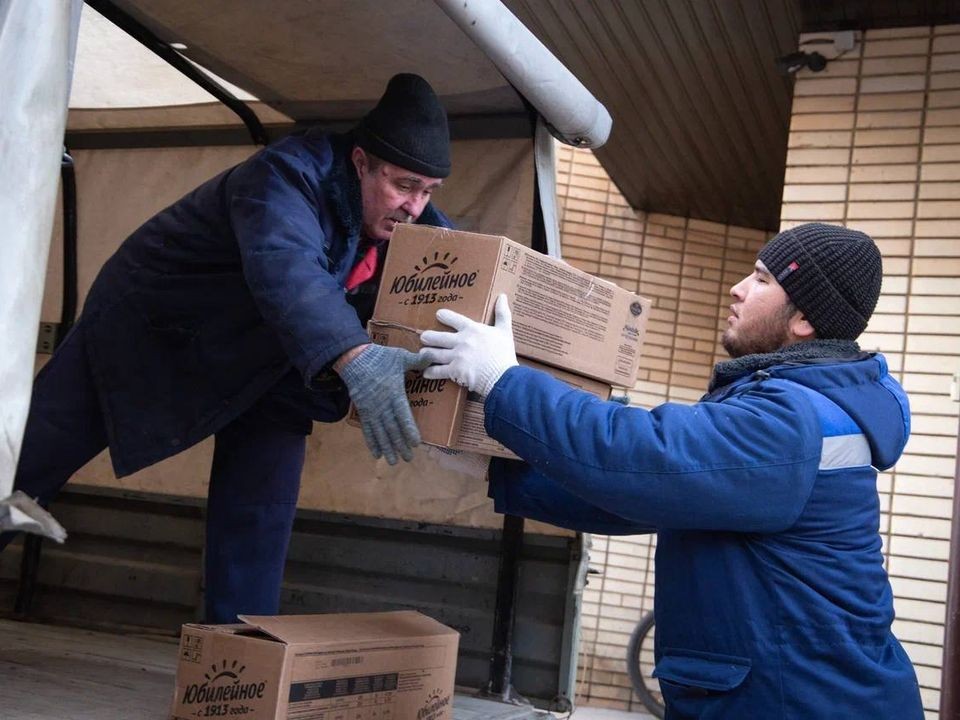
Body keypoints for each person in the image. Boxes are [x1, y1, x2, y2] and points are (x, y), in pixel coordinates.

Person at [419, 223, 924, 719]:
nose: (738, 288)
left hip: (802, 703)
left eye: (763, 280)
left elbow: (641, 457)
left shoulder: (792, 419)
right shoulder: (806, 407)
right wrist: (494, 471)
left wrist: (504, 381)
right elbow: (652, 495)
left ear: (805, 321)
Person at [2, 73, 452, 623]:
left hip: (266, 361)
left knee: (260, 512)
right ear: (360, 162)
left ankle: (235, 674)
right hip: (146, 330)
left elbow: (459, 272)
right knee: (23, 468)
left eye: (428, 191)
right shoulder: (284, 175)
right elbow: (286, 268)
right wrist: (356, 356)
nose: (415, 207)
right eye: (405, 186)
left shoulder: (410, 221)